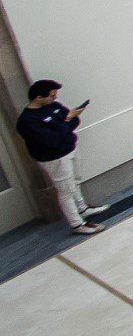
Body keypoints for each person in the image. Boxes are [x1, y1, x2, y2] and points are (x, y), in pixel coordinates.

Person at [15, 80, 108, 233]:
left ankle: (82, 208)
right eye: (52, 96)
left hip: (70, 148)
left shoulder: (53, 105)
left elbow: (73, 122)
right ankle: (77, 224)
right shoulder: (27, 121)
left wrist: (65, 123)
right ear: (39, 97)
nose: (55, 98)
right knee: (66, 191)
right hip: (55, 158)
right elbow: (51, 140)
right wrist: (65, 121)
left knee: (76, 180)